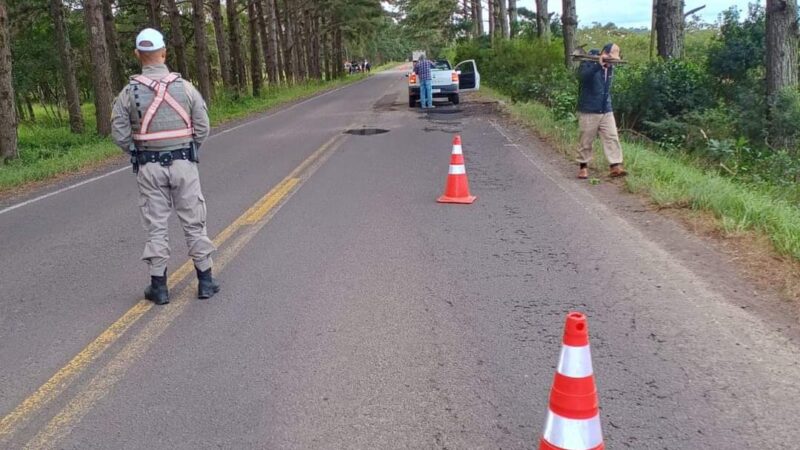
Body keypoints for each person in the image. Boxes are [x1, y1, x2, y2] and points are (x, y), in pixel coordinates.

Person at [111, 28, 220, 305]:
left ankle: (159, 288)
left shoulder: (128, 93)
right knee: (194, 221)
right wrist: (188, 147)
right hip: (184, 162)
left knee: (156, 226)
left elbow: (120, 134)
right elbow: (203, 126)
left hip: (148, 166)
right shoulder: (186, 88)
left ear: (138, 55)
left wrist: (139, 150)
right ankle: (205, 281)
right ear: (164, 53)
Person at [576, 43, 627, 179]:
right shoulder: (588, 62)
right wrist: (598, 65)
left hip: (606, 108)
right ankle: (583, 166)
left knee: (612, 137)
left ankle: (615, 166)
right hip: (588, 108)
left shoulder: (610, 69)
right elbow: (582, 78)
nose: (612, 62)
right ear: (604, 53)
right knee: (586, 140)